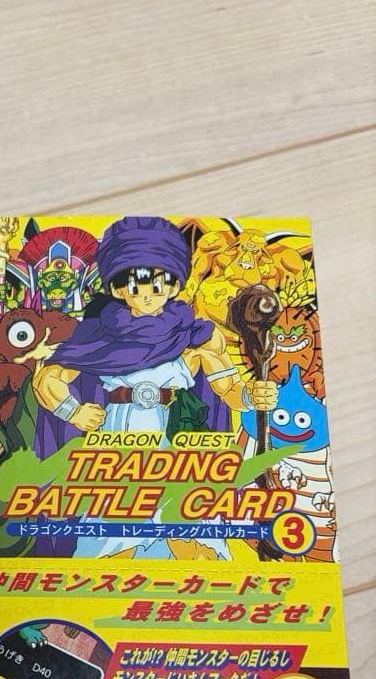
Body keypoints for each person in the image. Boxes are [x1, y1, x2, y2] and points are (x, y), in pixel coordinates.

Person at [32, 216, 277, 558]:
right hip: (120, 444)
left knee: (195, 547)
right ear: (117, 289)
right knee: (115, 547)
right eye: (135, 286)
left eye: (157, 284)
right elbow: (47, 379)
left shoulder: (196, 335)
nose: (146, 295)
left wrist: (252, 395)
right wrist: (72, 411)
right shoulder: (97, 334)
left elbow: (229, 390)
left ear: (174, 285)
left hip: (178, 443)